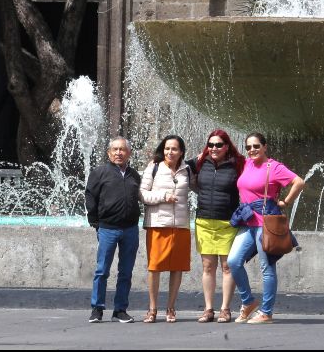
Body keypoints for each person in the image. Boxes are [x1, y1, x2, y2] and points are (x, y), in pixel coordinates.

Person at [227, 132, 304, 324]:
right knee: (233, 261)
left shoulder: (274, 167)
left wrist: (285, 202)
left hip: (265, 224)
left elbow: (299, 182)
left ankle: (266, 312)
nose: (252, 150)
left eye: (256, 146)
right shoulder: (246, 164)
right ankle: (248, 302)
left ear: (265, 147)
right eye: (248, 147)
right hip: (247, 222)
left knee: (266, 268)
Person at [85, 137, 141, 324]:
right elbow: (90, 197)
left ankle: (120, 310)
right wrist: (95, 222)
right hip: (108, 228)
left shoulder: (134, 175)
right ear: (109, 153)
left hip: (130, 229)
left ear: (129, 153)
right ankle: (97, 309)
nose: (118, 153)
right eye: (115, 150)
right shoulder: (99, 172)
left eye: (122, 149)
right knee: (102, 271)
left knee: (126, 272)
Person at [191, 129, 245, 323]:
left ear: (227, 146)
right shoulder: (200, 163)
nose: (214, 148)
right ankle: (208, 309)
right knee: (207, 266)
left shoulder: (238, 164)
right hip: (204, 220)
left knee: (227, 266)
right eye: (211, 145)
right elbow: (183, 173)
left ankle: (225, 309)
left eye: (218, 145)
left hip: (227, 221)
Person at [139, 135, 192, 324]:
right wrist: (163, 196)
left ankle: (171, 308)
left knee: (177, 267)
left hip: (181, 224)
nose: (170, 152)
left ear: (181, 152)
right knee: (155, 267)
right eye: (167, 148)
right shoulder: (154, 167)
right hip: (158, 223)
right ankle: (152, 309)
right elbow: (142, 194)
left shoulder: (187, 170)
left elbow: (200, 187)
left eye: (174, 149)